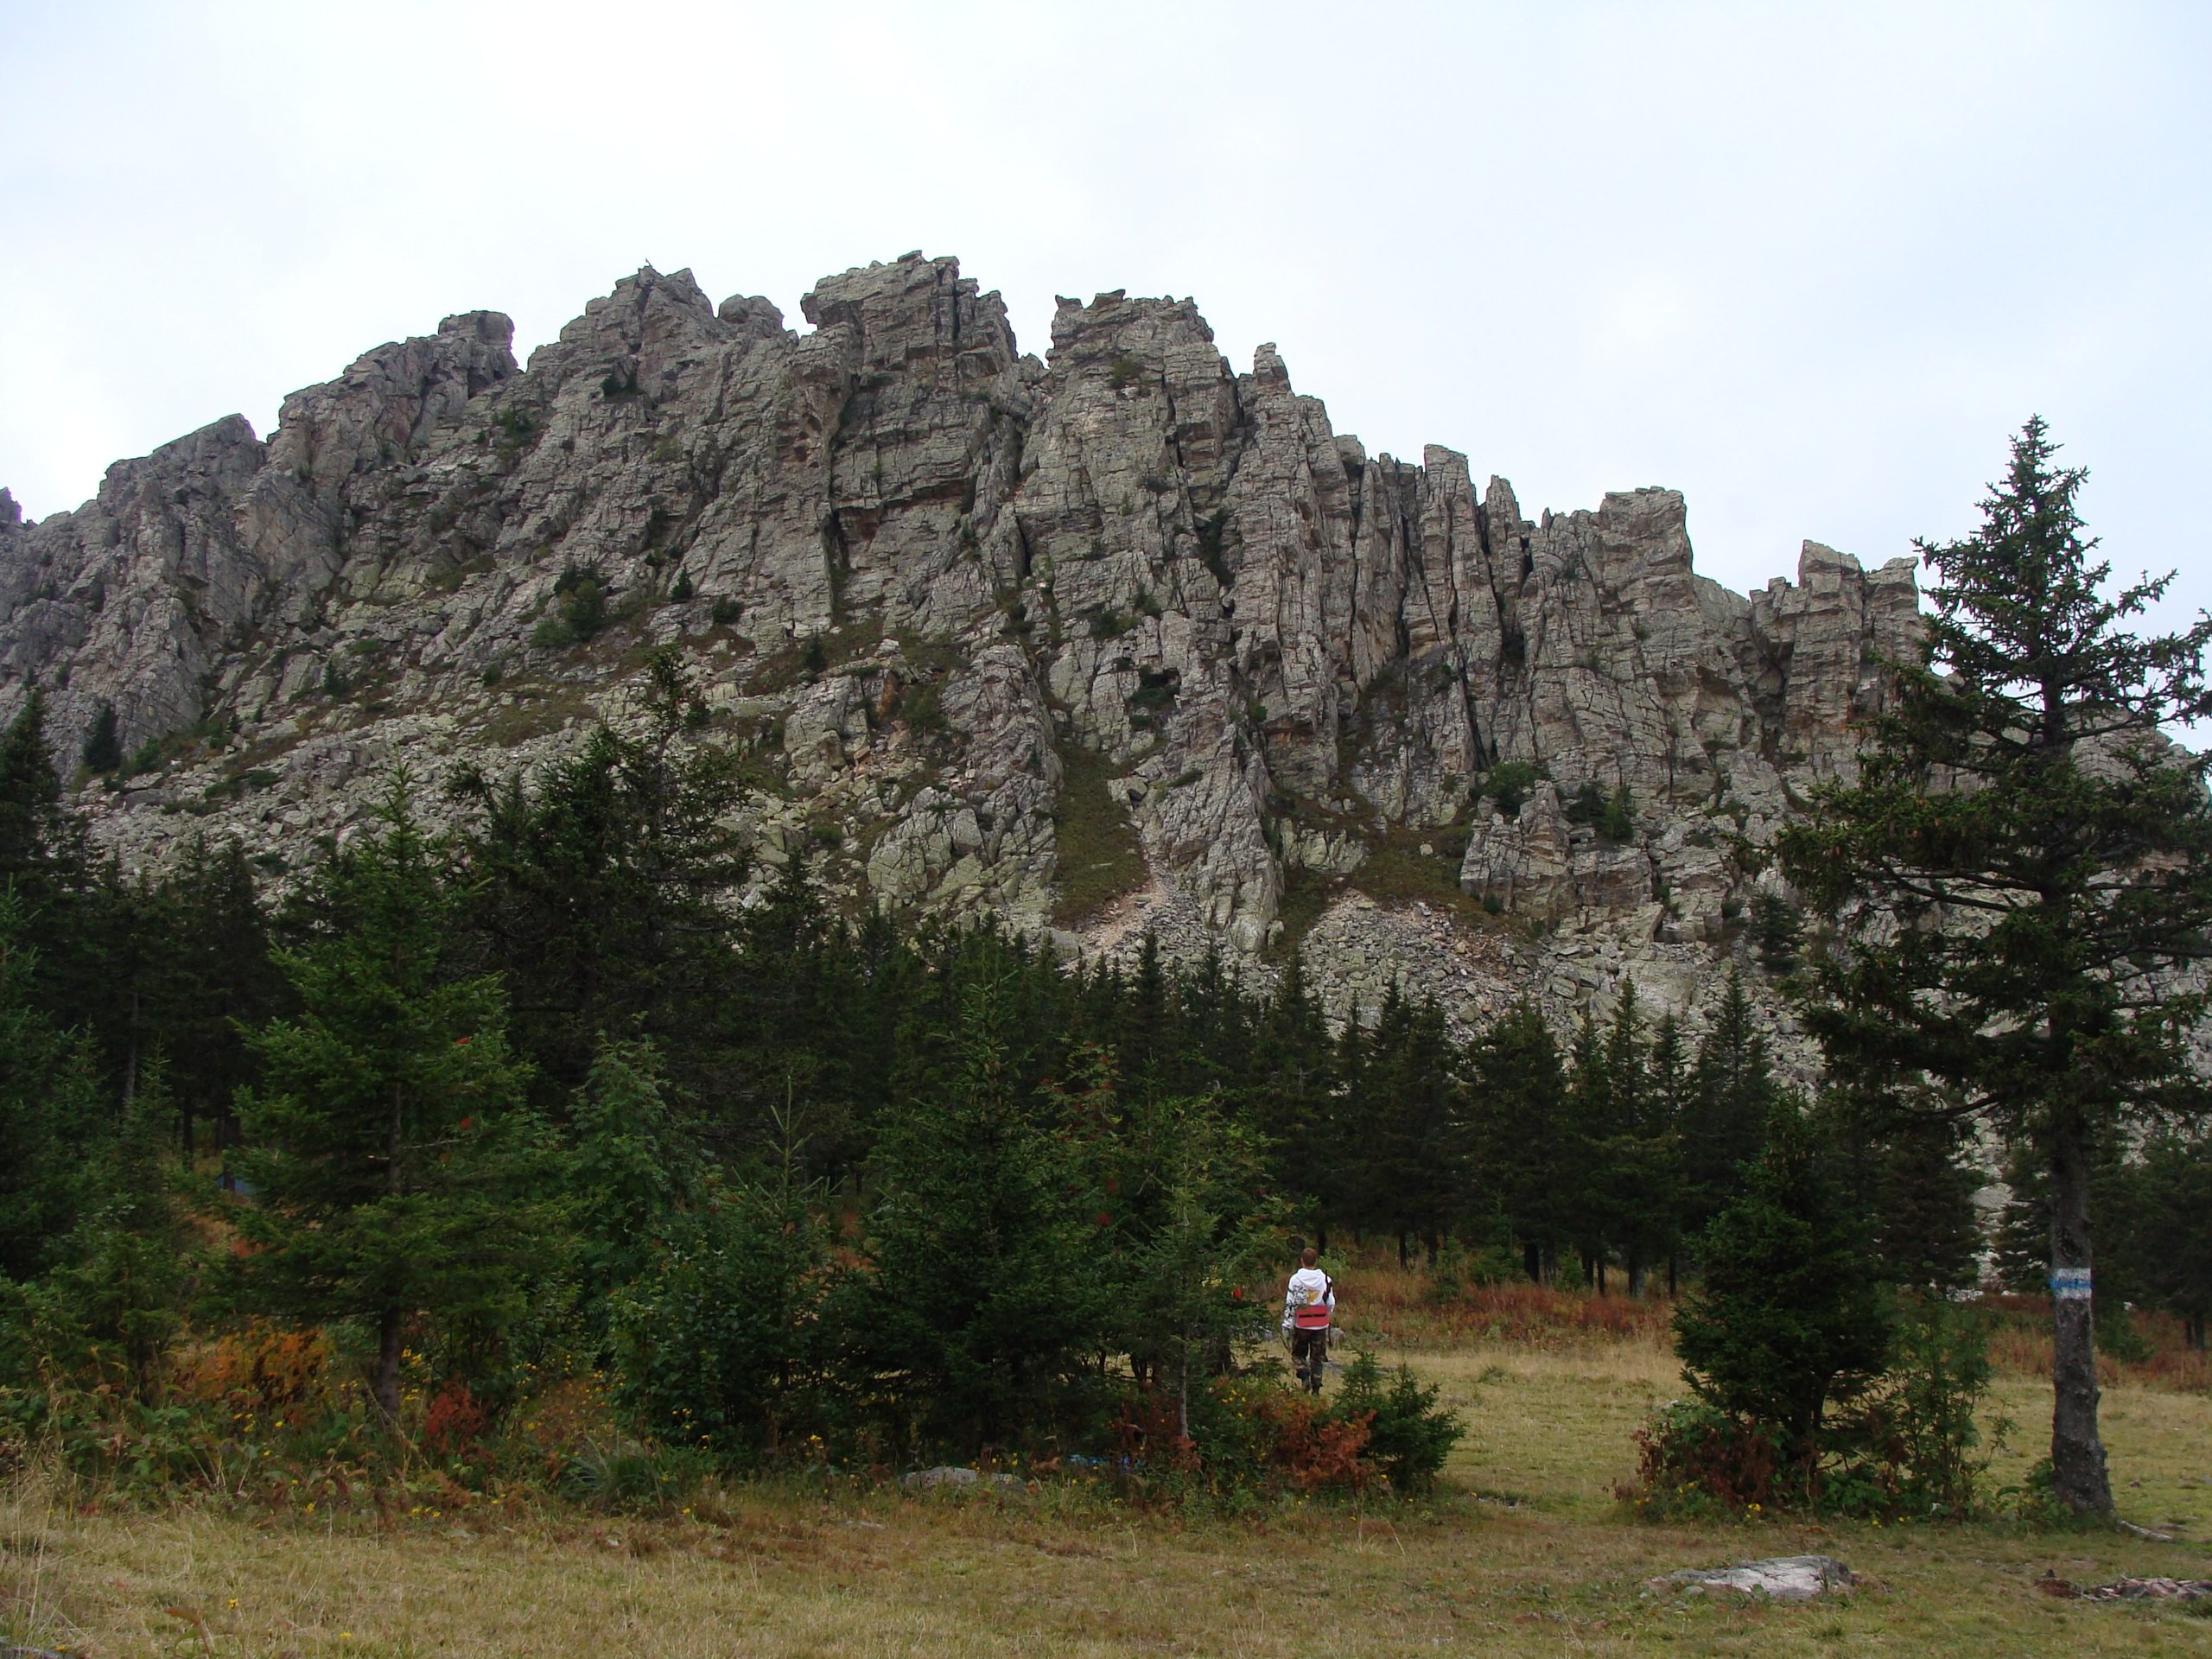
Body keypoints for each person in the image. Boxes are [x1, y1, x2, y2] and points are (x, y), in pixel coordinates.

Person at [1282, 1246, 1335, 1394]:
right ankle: (1316, 1389)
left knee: (1298, 1353)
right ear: (1316, 1261)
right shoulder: (1325, 1279)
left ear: (1301, 1261)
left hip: (1302, 1323)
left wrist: (1287, 1323)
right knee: (1317, 1357)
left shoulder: (1296, 1279)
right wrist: (1327, 1314)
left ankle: (1304, 1376)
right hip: (1320, 1324)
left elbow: (1290, 1303)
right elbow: (1330, 1302)